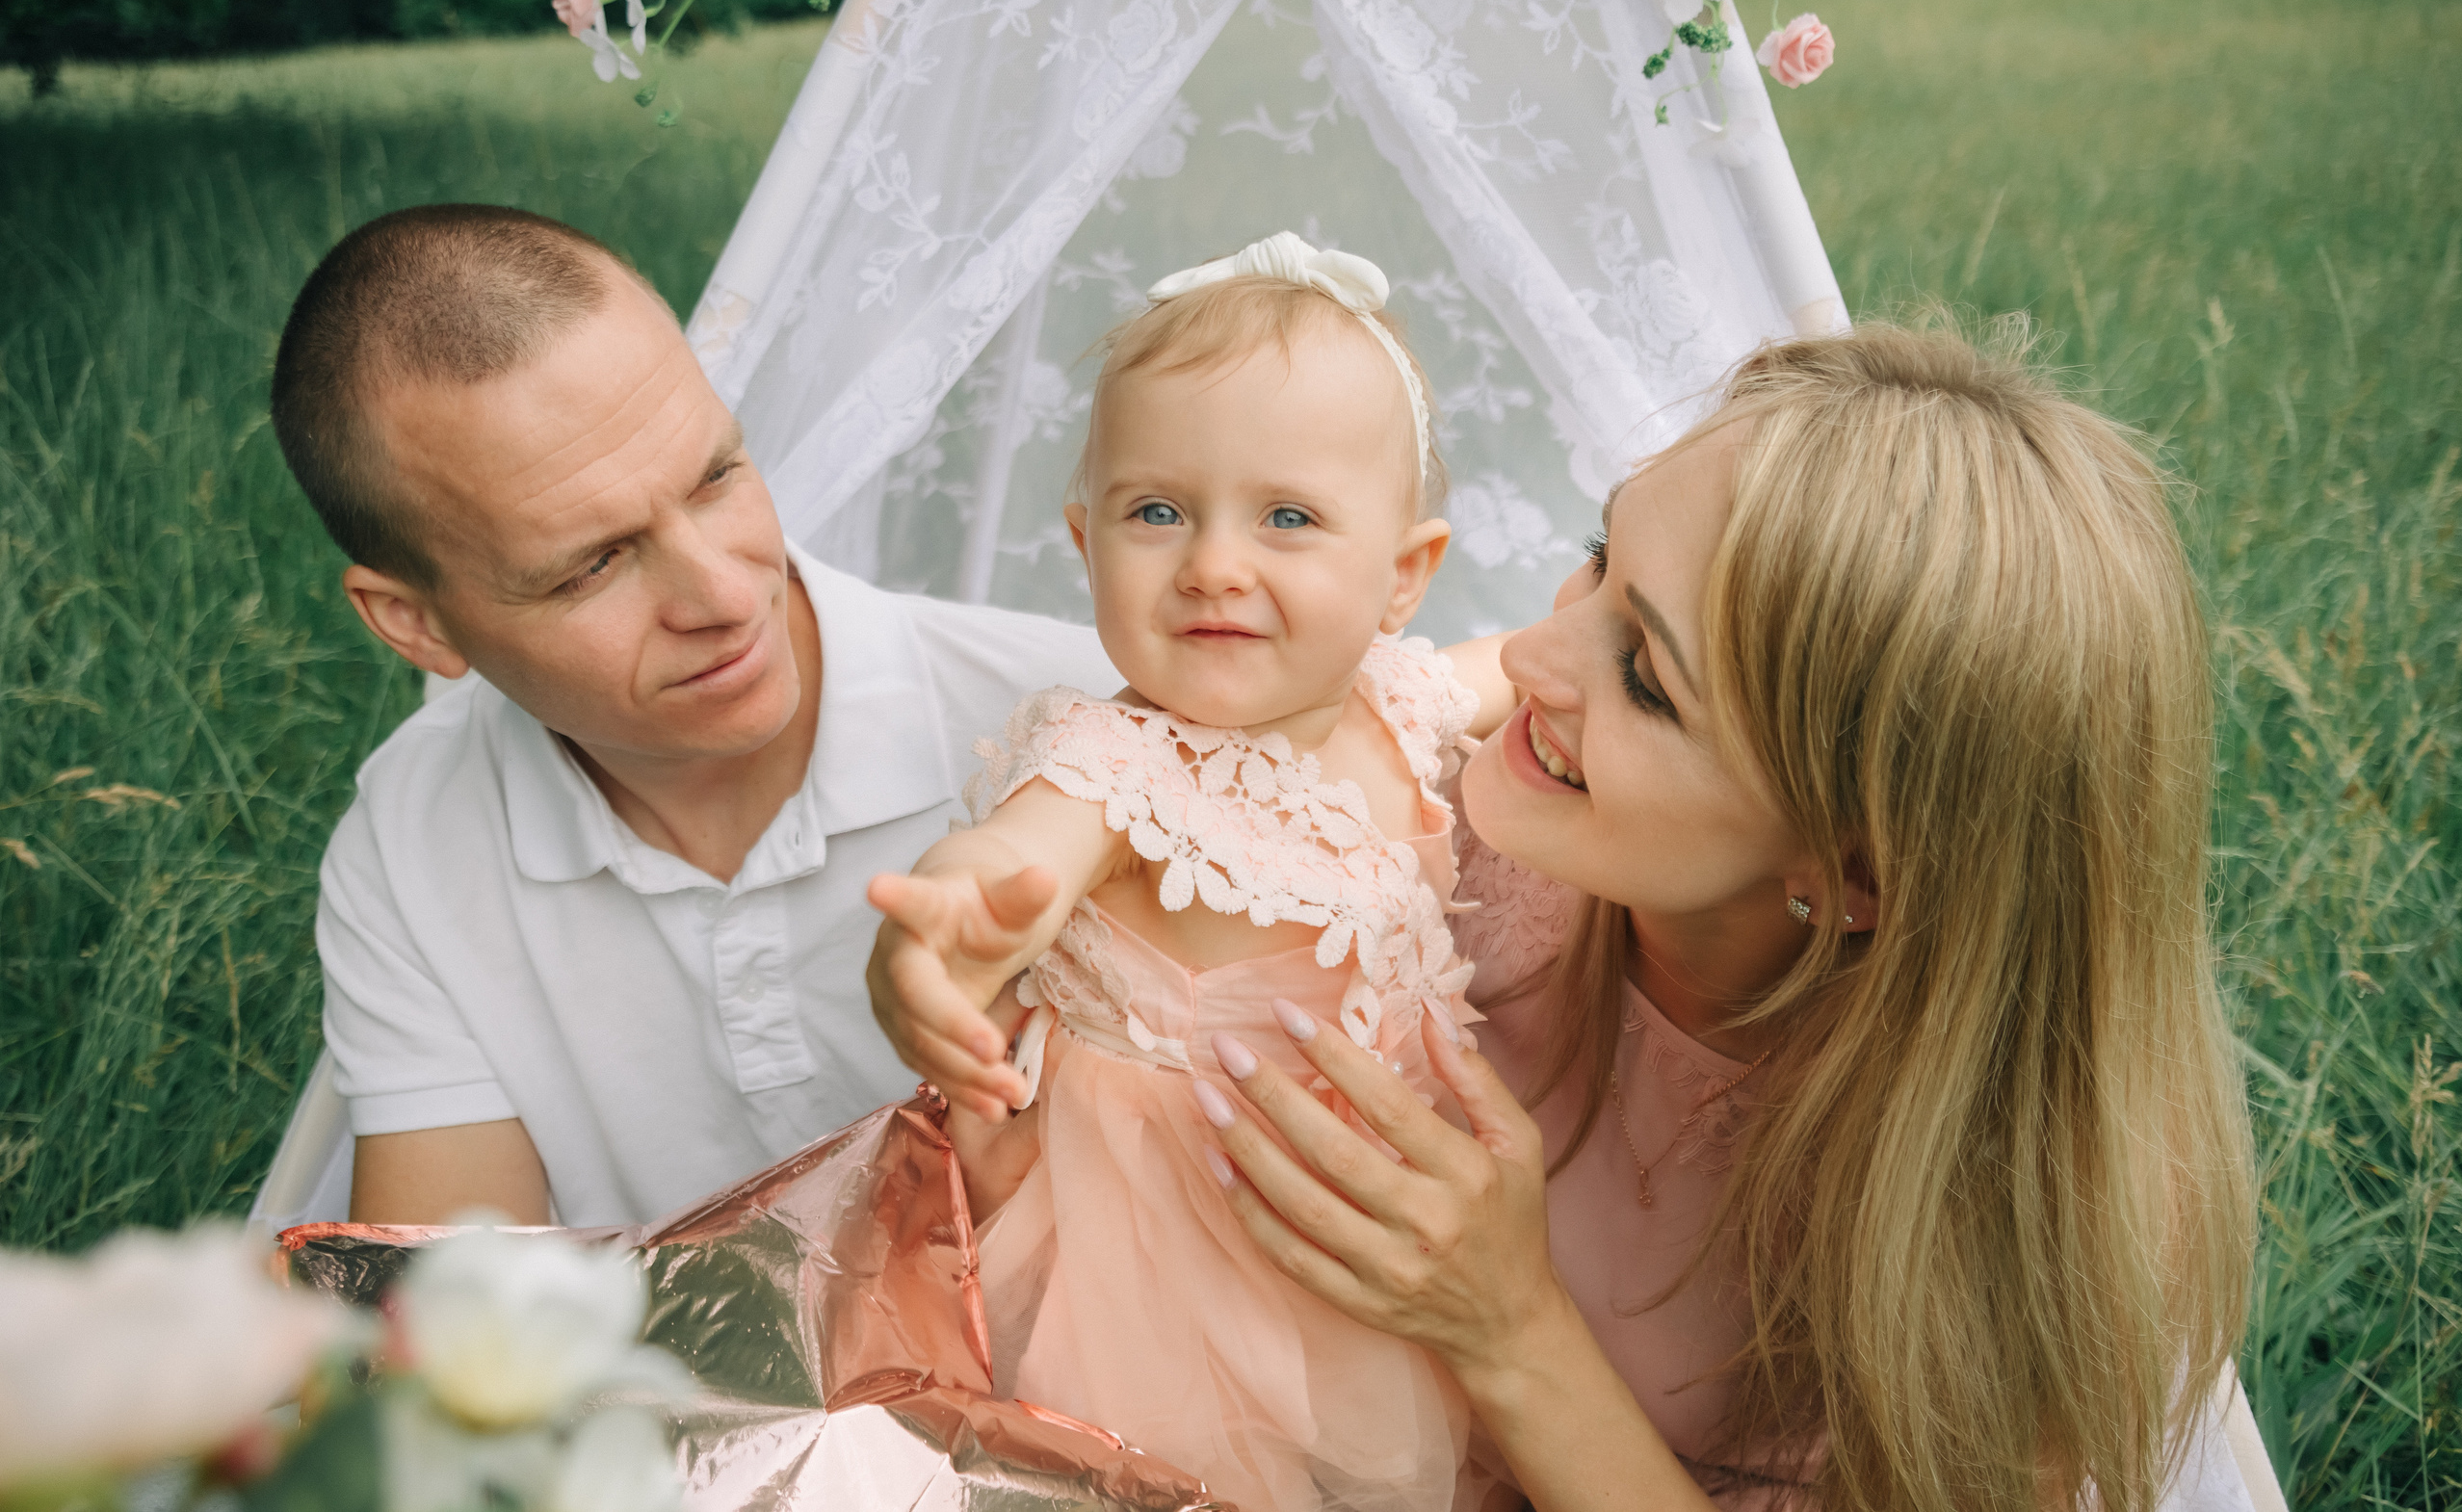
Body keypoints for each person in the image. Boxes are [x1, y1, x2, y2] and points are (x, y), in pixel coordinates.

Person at [892, 325, 2267, 1511]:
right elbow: (1154, 781)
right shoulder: (1460, 849)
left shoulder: (2028, 1192)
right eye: (1599, 554)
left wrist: (1511, 1328)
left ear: (1856, 873)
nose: (1535, 658)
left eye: (1649, 678)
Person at [268, 203, 1115, 1230]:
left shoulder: (1078, 719)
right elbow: (446, 1318)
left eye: (715, 476)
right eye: (594, 564)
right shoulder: (412, 837)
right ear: (414, 623)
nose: (720, 595)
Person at [864, 233, 1519, 1512]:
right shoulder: (1113, 756)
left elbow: (1539, 662)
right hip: (1170, 1272)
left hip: (1376, 1246)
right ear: (1084, 536)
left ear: (1403, 575)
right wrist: (948, 923)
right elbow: (1021, 857)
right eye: (1157, 510)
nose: (1215, 561)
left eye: (1287, 517)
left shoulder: (1403, 704)